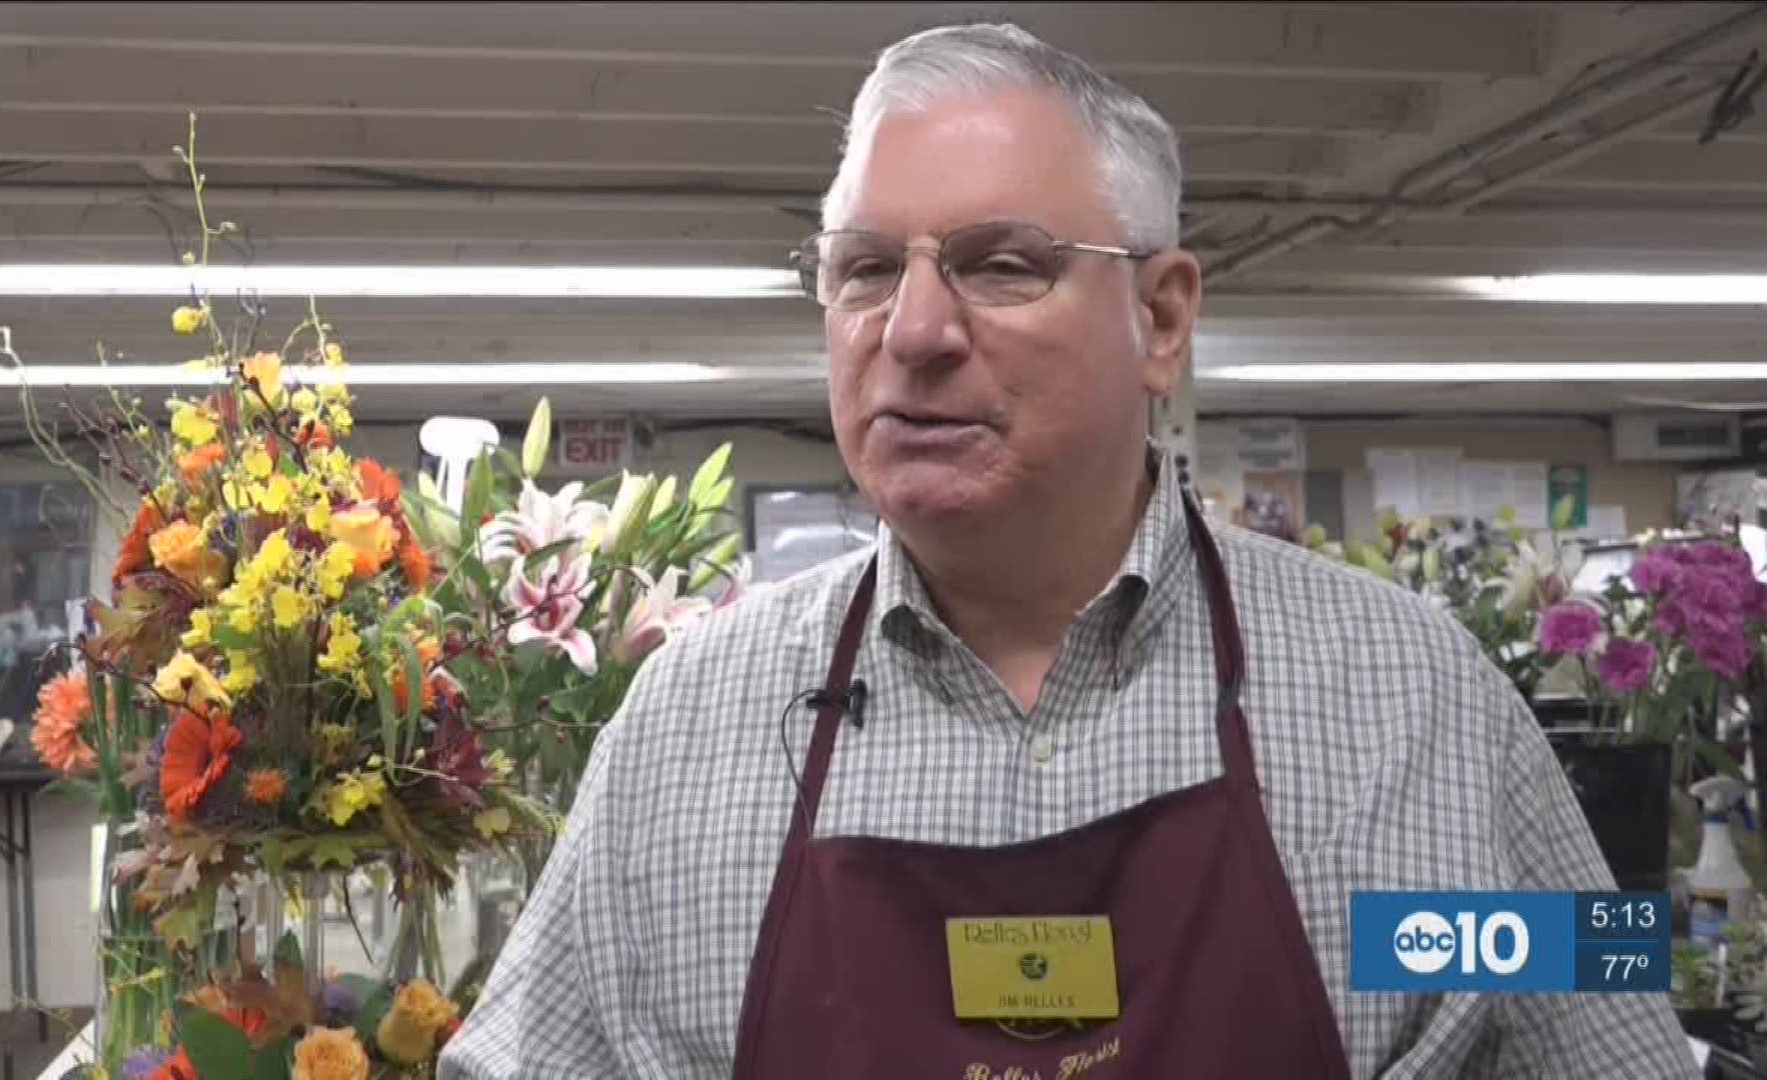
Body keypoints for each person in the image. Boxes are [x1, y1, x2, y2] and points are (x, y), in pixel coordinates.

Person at [441, 23, 1697, 1080]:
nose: (914, 329)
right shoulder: (681, 735)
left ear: (1160, 319)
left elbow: (1611, 1035)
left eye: (1001, 265)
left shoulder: (1418, 704)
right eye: (866, 269)